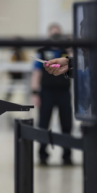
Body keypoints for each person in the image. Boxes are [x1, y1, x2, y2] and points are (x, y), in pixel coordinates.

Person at [30, 24, 73, 166]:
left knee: (66, 124)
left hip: (64, 92)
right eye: (53, 34)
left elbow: (76, 62)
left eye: (58, 35)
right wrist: (35, 93)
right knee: (43, 123)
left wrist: (68, 48)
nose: (55, 37)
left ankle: (67, 156)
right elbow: (36, 73)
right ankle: (43, 156)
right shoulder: (42, 52)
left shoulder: (66, 51)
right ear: (48, 35)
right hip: (47, 91)